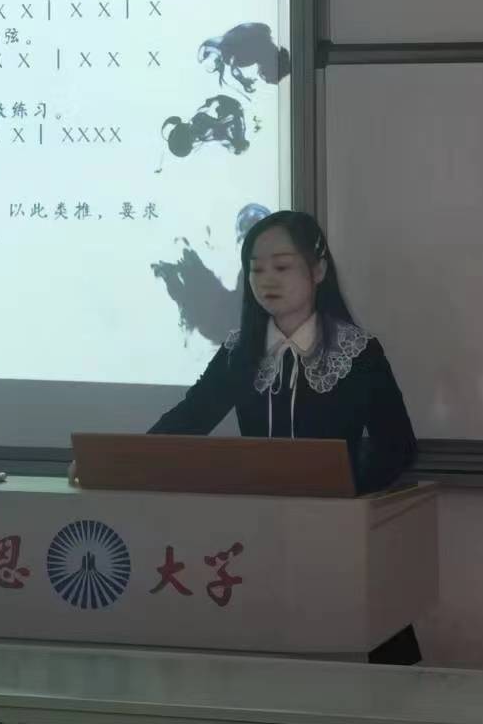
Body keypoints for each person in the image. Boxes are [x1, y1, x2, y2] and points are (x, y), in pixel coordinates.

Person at [148, 209, 423, 664]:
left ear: (318, 270)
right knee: (272, 665)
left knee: (366, 666)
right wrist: (121, 459)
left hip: (341, 535)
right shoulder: (239, 352)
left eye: (281, 266)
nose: (266, 280)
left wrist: (344, 485)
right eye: (255, 269)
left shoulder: (357, 352)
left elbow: (398, 445)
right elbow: (190, 417)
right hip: (261, 537)